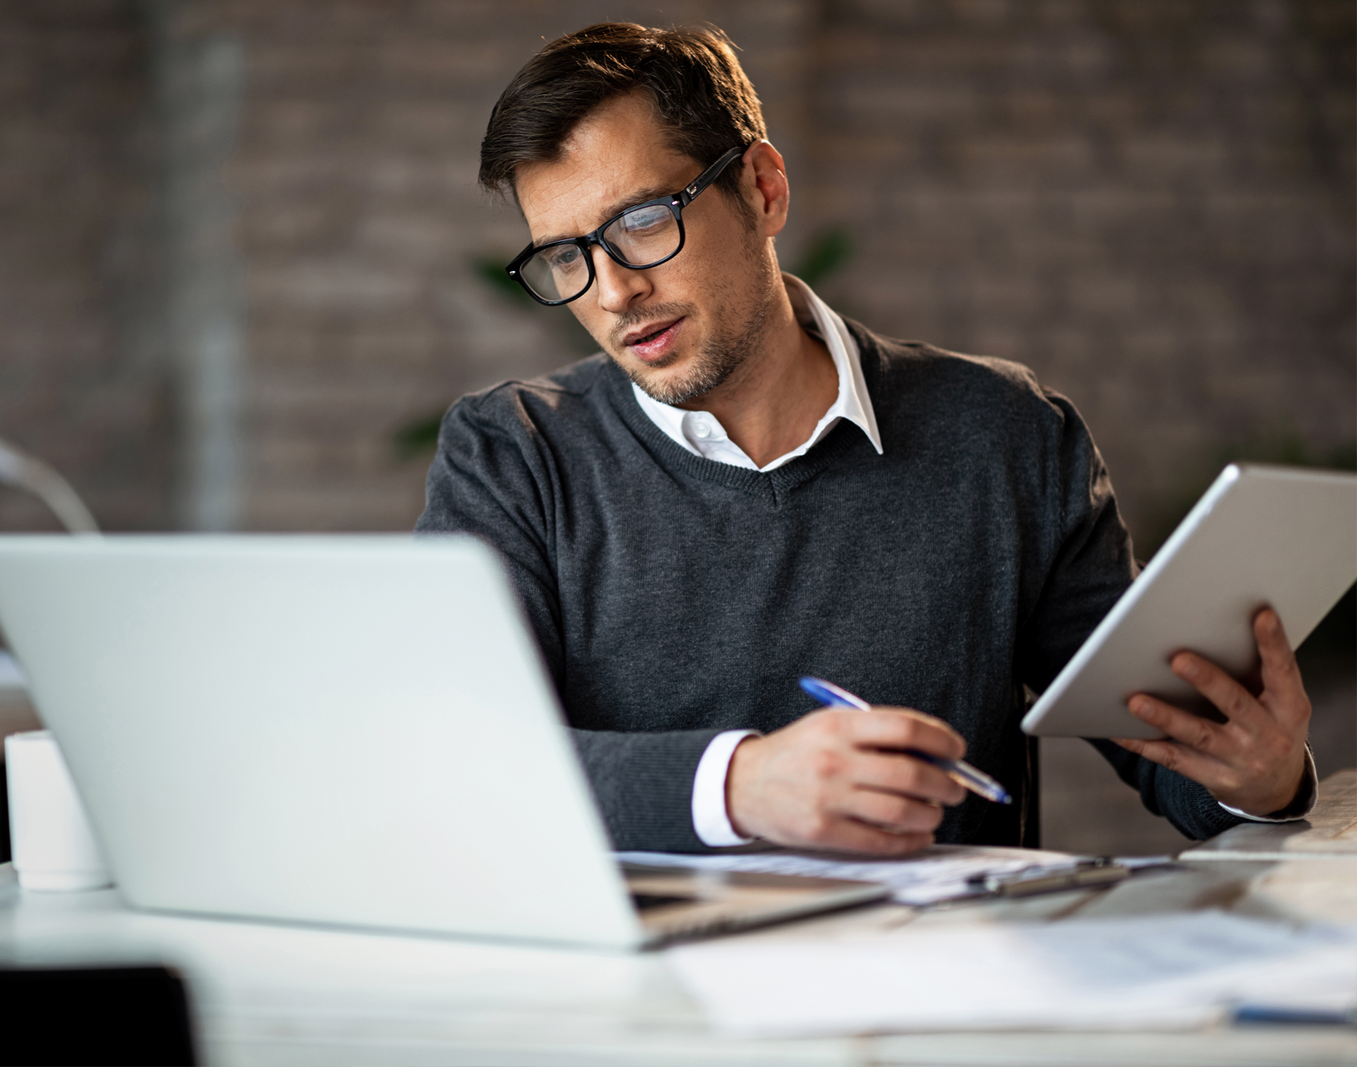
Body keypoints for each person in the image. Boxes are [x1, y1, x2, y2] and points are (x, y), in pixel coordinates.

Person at [417, 22, 1316, 854]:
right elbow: (453, 758)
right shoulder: (512, 453)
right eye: (567, 256)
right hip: (654, 1008)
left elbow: (1169, 754)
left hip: (939, 992)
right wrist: (738, 785)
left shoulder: (1007, 435)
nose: (611, 293)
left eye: (643, 222)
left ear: (763, 190)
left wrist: (1260, 778)